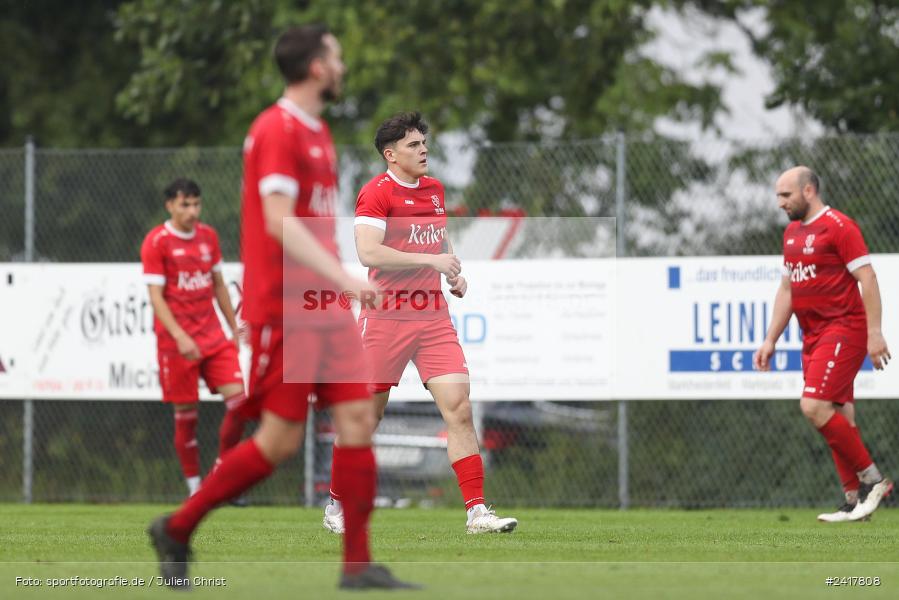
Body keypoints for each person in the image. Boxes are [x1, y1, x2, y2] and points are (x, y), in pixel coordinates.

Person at [148, 25, 419, 591]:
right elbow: (277, 222)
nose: (343, 66)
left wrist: (336, 282)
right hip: (290, 309)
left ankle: (357, 565)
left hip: (325, 307)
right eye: (337, 57)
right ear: (317, 68)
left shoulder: (318, 131)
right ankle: (178, 526)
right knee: (279, 443)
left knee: (358, 420)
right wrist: (342, 275)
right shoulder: (276, 128)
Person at [323, 112, 518, 535]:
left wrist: (452, 272)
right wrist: (430, 259)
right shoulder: (375, 193)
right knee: (363, 421)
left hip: (431, 317)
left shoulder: (434, 190)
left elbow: (436, 238)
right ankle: (337, 505)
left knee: (460, 408)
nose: (424, 149)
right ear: (391, 155)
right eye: (413, 145)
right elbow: (369, 254)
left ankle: (477, 513)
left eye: (424, 142)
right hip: (386, 317)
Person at [753, 166, 893, 523]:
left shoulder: (840, 227)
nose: (780, 202)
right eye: (778, 196)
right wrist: (770, 338)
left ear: (809, 190)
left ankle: (872, 480)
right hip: (812, 335)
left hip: (843, 329)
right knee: (838, 414)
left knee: (813, 405)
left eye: (786, 195)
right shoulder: (791, 234)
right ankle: (854, 501)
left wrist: (874, 332)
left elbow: (868, 277)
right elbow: (787, 289)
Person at [140, 178, 247, 498]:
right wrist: (179, 336)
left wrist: (233, 327)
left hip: (213, 335)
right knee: (186, 414)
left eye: (196, 204)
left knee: (240, 403)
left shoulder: (208, 236)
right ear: (170, 205)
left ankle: (221, 472)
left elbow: (218, 284)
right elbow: (156, 296)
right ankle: (194, 488)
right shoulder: (157, 241)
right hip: (177, 342)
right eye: (185, 204)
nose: (192, 210)